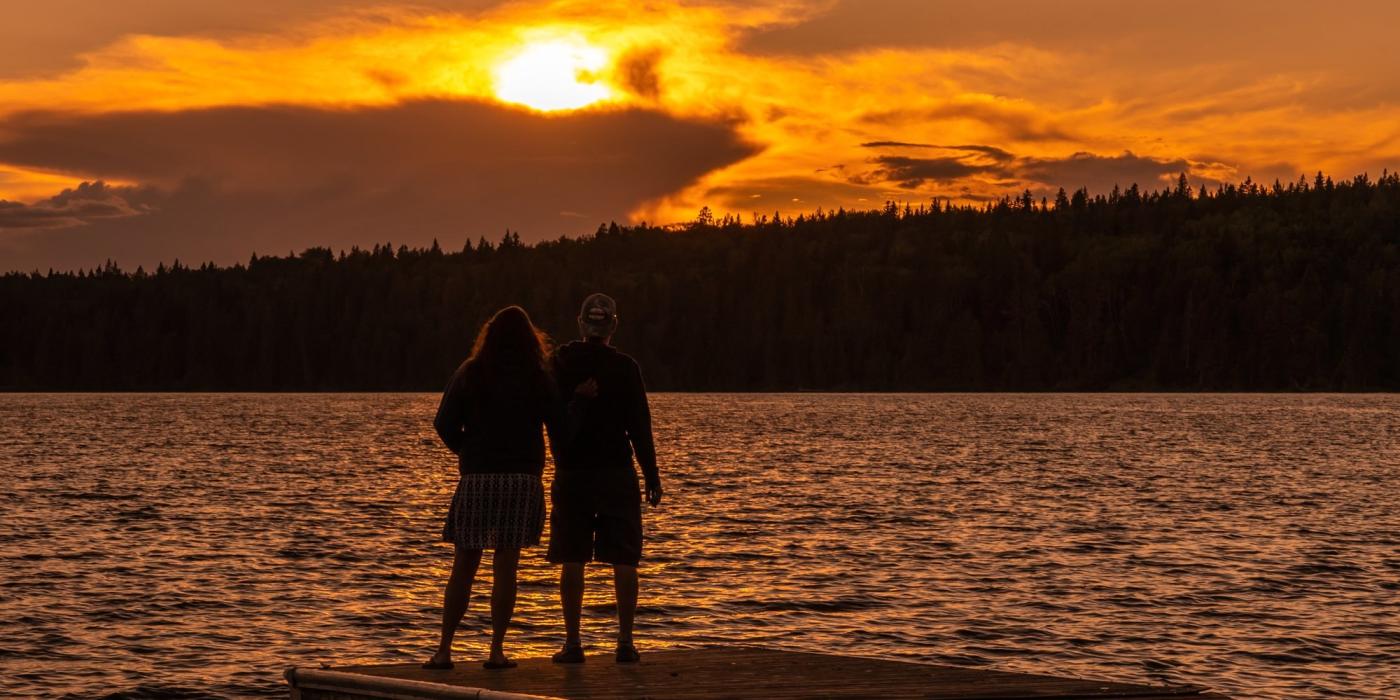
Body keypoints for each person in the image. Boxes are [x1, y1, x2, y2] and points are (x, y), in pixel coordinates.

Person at [424, 305, 565, 671]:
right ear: (530, 340)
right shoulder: (538, 376)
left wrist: (467, 451)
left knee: (464, 564)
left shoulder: (471, 372)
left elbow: (443, 423)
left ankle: (443, 651)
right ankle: (496, 651)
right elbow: (560, 426)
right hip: (521, 480)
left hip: (477, 478)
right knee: (507, 564)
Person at [547, 293, 663, 664]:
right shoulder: (625, 368)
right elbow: (639, 426)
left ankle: (573, 643)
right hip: (616, 472)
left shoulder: (559, 364)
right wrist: (652, 473)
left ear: (582, 324)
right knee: (624, 557)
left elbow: (550, 417)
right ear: (612, 326)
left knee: (572, 556)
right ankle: (625, 643)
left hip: (572, 472)